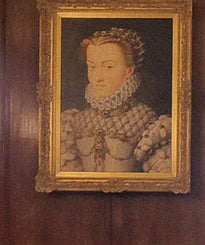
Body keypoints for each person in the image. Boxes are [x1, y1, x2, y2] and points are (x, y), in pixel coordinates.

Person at [60, 27, 172, 173]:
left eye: (108, 67)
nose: (98, 77)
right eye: (92, 67)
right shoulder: (76, 121)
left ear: (129, 71)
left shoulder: (146, 120)